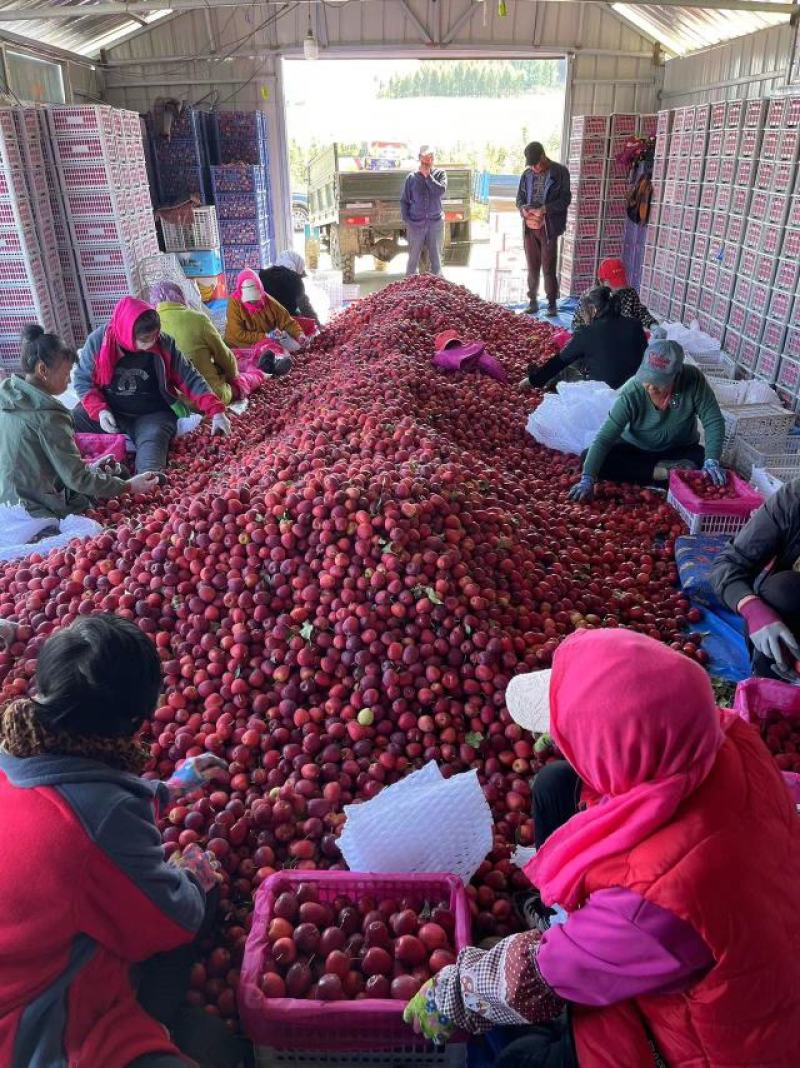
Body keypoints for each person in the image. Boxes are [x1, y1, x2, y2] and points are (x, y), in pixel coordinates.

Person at [404, 628, 800, 1066]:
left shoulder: (658, 904)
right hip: (744, 930)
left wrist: (458, 992)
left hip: (708, 1043)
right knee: (558, 784)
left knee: (521, 1058)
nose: (558, 743)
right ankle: (567, 919)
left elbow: (540, 974)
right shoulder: (726, 737)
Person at [0, 613, 248, 1068]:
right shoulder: (103, 816)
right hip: (33, 1026)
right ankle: (161, 1019)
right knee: (219, 1047)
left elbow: (71, 792)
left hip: (21, 957)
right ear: (133, 721)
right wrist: (194, 877)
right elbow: (171, 916)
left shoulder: (15, 750)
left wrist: (166, 790)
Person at [0, 325, 158, 518]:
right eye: (66, 374)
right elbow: (77, 480)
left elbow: (41, 461)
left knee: (113, 474)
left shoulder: (10, 399)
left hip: (9, 498)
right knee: (116, 481)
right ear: (43, 369)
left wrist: (90, 468)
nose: (69, 382)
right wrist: (129, 486)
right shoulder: (49, 418)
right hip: (34, 507)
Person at [73, 298, 230, 475]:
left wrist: (216, 411)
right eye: (145, 339)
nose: (152, 342)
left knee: (152, 453)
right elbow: (82, 381)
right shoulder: (98, 342)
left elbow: (189, 377)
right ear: (126, 332)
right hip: (112, 412)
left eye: (155, 335)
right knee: (69, 421)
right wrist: (100, 411)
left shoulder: (163, 344)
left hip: (151, 415)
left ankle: (142, 477)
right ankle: (81, 473)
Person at [569, 339, 726, 500]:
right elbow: (604, 439)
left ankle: (658, 476)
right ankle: (661, 474)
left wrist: (712, 459)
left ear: (677, 374)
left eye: (659, 381)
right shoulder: (632, 392)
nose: (650, 386)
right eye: (647, 378)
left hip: (678, 451)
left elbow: (713, 420)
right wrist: (587, 479)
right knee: (589, 458)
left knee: (702, 460)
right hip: (637, 451)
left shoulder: (693, 379)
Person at [711, 478, 800, 683]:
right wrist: (753, 610)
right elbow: (728, 565)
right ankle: (770, 686)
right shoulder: (793, 499)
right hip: (792, 634)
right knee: (781, 590)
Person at [522, 287, 647, 391]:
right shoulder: (635, 325)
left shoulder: (586, 332)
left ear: (593, 310)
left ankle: (549, 385)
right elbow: (646, 357)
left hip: (601, 394)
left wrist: (533, 381)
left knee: (564, 370)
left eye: (584, 310)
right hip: (633, 392)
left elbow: (559, 361)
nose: (582, 314)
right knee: (583, 356)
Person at [150, 282, 242, 407]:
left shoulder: (149, 328)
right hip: (211, 398)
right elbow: (225, 357)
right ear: (181, 296)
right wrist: (234, 379)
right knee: (241, 383)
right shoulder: (198, 319)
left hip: (173, 405)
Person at [516, 142, 571, 318]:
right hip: (530, 227)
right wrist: (523, 210)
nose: (534, 167)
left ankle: (552, 304)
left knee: (548, 267)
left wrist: (545, 209)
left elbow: (565, 200)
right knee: (532, 267)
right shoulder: (526, 175)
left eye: (536, 163)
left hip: (549, 226)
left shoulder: (559, 172)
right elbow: (519, 199)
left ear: (543, 157)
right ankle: (532, 302)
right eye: (530, 164)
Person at [224, 268, 302, 352]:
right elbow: (238, 334)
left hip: (261, 346)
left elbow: (286, 321)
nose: (253, 302)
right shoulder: (234, 303)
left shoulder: (269, 302)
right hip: (237, 346)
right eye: (249, 300)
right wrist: (266, 336)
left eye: (255, 299)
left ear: (260, 291)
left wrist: (300, 334)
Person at [570, 258, 657, 333]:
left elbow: (640, 312)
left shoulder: (629, 293)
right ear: (601, 281)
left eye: (620, 281)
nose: (618, 288)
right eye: (614, 284)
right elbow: (576, 327)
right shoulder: (589, 298)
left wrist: (652, 325)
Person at [401, 145, 448, 277]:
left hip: (435, 223)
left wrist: (428, 178)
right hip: (416, 225)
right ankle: (410, 289)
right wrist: (407, 220)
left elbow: (440, 191)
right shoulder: (411, 178)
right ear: (419, 158)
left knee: (436, 261)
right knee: (412, 262)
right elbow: (404, 200)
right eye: (425, 157)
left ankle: (437, 289)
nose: (428, 160)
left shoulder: (440, 174)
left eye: (431, 157)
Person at [259, 251, 320, 326]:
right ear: (297, 265)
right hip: (286, 325)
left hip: (264, 323)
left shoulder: (263, 275)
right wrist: (318, 324)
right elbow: (304, 306)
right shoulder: (295, 279)